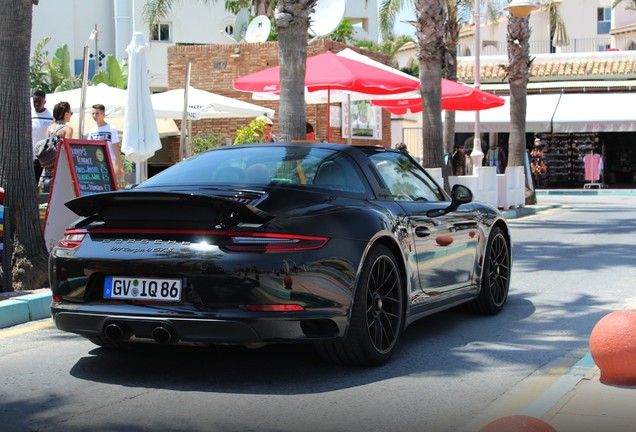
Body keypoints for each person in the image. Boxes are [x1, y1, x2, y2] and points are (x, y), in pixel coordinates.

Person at [39, 101, 74, 194]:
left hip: (47, 167)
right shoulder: (67, 129)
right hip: (59, 167)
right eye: (71, 113)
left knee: (46, 197)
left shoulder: (50, 128)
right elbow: (67, 149)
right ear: (66, 114)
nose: (71, 115)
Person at [86, 104, 125, 183]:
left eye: (97, 113)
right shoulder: (91, 131)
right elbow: (89, 148)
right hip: (95, 164)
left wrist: (120, 167)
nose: (94, 116)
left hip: (109, 163)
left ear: (103, 114)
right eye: (93, 113)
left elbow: (116, 148)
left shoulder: (111, 128)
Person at [32, 90, 54, 184]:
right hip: (32, 155)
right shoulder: (30, 114)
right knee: (33, 181)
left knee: (44, 183)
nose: (36, 104)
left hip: (46, 155)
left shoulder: (51, 116)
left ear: (44, 101)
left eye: (39, 101)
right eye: (34, 102)